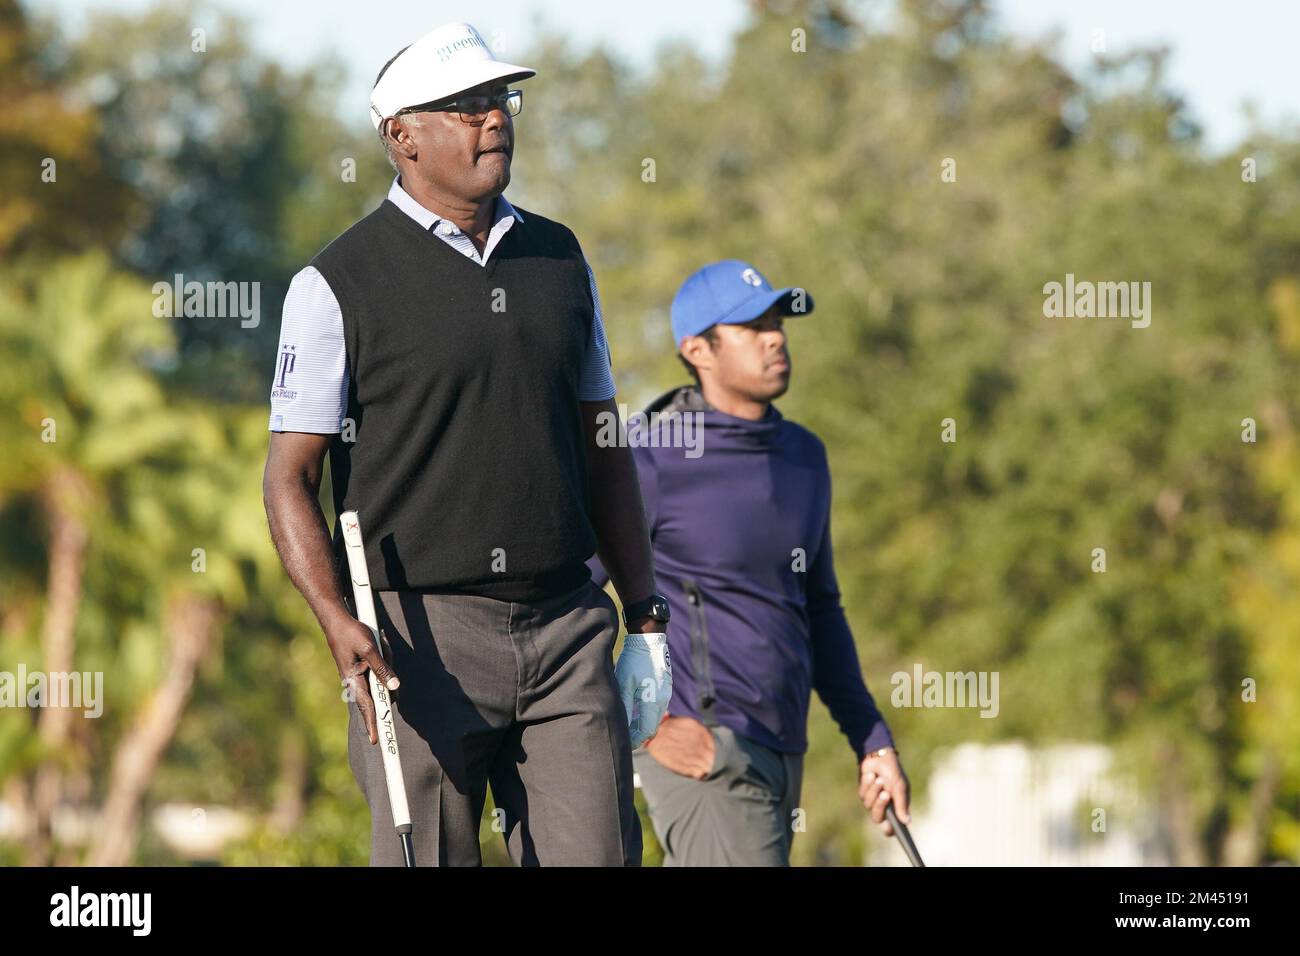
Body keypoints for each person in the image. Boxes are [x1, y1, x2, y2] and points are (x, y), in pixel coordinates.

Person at [262, 22, 672, 867]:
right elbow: (288, 480)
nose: (492, 120)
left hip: (568, 625)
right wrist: (335, 618)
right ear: (400, 137)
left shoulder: (560, 258)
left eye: (499, 100)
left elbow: (603, 444)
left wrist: (647, 619)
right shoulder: (336, 283)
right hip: (418, 642)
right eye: (463, 106)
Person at [589, 259, 908, 865]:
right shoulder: (651, 457)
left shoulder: (804, 457)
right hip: (705, 755)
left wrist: (872, 742)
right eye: (750, 327)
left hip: (786, 749)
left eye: (777, 323)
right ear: (697, 349)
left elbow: (821, 609)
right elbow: (571, 599)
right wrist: (643, 723)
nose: (774, 338)